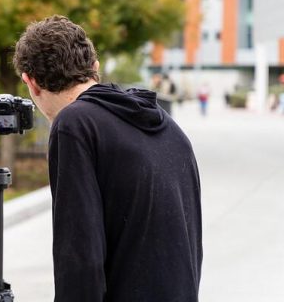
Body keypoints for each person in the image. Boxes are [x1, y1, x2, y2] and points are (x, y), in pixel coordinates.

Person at [12, 15, 202, 302]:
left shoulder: (74, 124)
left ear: (31, 82)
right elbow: (192, 247)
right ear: (94, 68)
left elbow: (79, 257)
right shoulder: (168, 126)